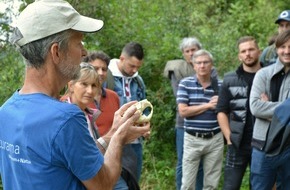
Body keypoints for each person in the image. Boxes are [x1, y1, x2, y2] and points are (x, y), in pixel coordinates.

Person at [0, 1, 150, 189]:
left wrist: (113, 133)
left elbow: (70, 159)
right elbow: (102, 184)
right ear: (56, 52)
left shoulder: (6, 111)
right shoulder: (66, 118)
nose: (84, 52)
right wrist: (120, 139)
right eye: (78, 42)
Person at [216, 36, 262, 190]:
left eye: (251, 49)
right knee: (230, 186)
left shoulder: (270, 76)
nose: (247, 54)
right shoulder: (230, 79)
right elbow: (221, 111)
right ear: (239, 56)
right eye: (243, 51)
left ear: (259, 52)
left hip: (263, 143)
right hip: (237, 143)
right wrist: (228, 137)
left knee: (260, 186)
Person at [163, 37, 207, 190]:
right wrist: (204, 103)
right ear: (183, 54)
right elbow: (180, 97)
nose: (190, 54)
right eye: (187, 51)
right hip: (184, 123)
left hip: (204, 123)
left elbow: (213, 93)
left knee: (200, 161)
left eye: (193, 50)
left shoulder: (206, 67)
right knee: (183, 161)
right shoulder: (178, 70)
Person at [177, 49, 224, 190]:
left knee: (211, 184)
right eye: (198, 63)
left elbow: (227, 112)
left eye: (205, 62)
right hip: (193, 139)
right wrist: (208, 105)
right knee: (188, 184)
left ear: (212, 65)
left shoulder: (220, 85)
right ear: (193, 66)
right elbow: (183, 111)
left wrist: (221, 104)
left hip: (215, 138)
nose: (202, 66)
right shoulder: (185, 84)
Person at [249, 29, 290, 190]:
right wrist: (285, 110)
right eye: (283, 47)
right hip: (262, 146)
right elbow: (256, 107)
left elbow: (263, 109)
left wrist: (269, 107)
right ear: (276, 49)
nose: (287, 51)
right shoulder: (262, 74)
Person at [108, 42, 146, 183]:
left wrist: (145, 127)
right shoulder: (107, 77)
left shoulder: (138, 80)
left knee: (134, 180)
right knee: (115, 181)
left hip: (135, 140)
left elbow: (143, 106)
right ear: (122, 58)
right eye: (132, 66)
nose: (135, 70)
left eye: (138, 67)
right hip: (113, 139)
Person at [60, 62, 102, 140]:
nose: (90, 91)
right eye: (84, 84)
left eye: (94, 85)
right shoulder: (63, 115)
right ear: (71, 86)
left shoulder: (89, 115)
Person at [83, 51, 120, 136]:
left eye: (104, 69)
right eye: (96, 68)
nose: (100, 73)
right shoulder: (73, 99)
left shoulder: (113, 96)